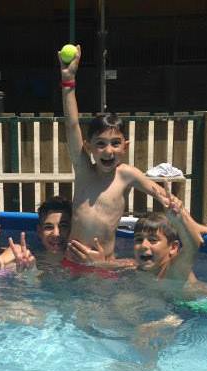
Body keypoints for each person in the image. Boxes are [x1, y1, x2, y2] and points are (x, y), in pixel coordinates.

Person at [59, 45, 171, 268]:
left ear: (125, 147)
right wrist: (68, 82)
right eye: (100, 144)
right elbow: (72, 125)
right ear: (89, 147)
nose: (108, 151)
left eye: (115, 144)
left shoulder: (126, 175)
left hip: (105, 265)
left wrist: (170, 202)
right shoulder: (84, 170)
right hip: (72, 264)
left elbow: (162, 196)